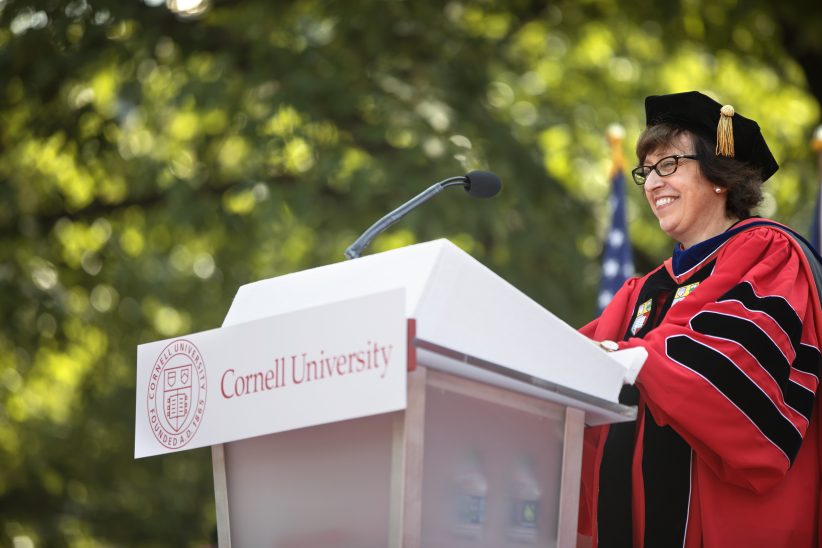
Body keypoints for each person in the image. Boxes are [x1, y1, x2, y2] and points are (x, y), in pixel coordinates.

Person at [578, 91, 822, 547]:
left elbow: (728, 358)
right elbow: (576, 354)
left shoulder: (768, 253)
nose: (652, 184)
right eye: (646, 171)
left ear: (719, 176)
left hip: (731, 524)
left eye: (668, 165)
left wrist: (634, 359)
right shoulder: (643, 290)